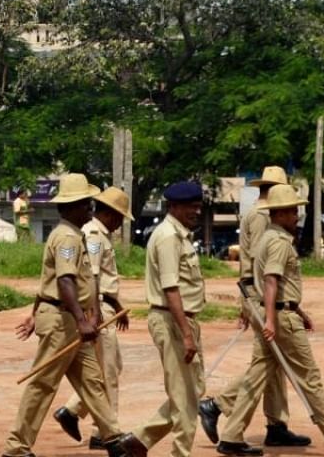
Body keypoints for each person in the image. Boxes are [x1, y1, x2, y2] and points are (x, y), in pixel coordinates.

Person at [210, 185, 324, 456]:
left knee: (256, 376)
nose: (297, 215)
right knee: (309, 377)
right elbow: (271, 281)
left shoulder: (268, 238)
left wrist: (297, 311)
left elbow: (278, 285)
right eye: (292, 210)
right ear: (279, 213)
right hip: (280, 318)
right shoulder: (278, 242)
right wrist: (274, 320)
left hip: (277, 312)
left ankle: (231, 436)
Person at [4, 174, 124, 457]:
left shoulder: (76, 235)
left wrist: (89, 315)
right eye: (85, 204)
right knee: (43, 384)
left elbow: (86, 280)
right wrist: (83, 320)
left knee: (93, 381)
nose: (90, 210)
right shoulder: (67, 238)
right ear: (70, 207)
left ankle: (113, 437)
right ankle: (15, 447)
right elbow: (64, 281)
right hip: (62, 320)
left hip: (71, 319)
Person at [198, 167, 306, 450]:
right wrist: (260, 305)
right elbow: (265, 265)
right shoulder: (262, 217)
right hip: (260, 292)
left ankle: (276, 424)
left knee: (272, 363)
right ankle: (217, 404)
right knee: (266, 363)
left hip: (256, 292)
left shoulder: (254, 213)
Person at [116, 181, 207, 457]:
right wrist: (186, 334)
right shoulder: (168, 237)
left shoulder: (179, 235)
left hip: (183, 320)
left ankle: (140, 440)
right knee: (184, 399)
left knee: (194, 389)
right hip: (172, 321)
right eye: (190, 206)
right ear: (174, 207)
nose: (196, 211)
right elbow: (171, 289)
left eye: (197, 206)